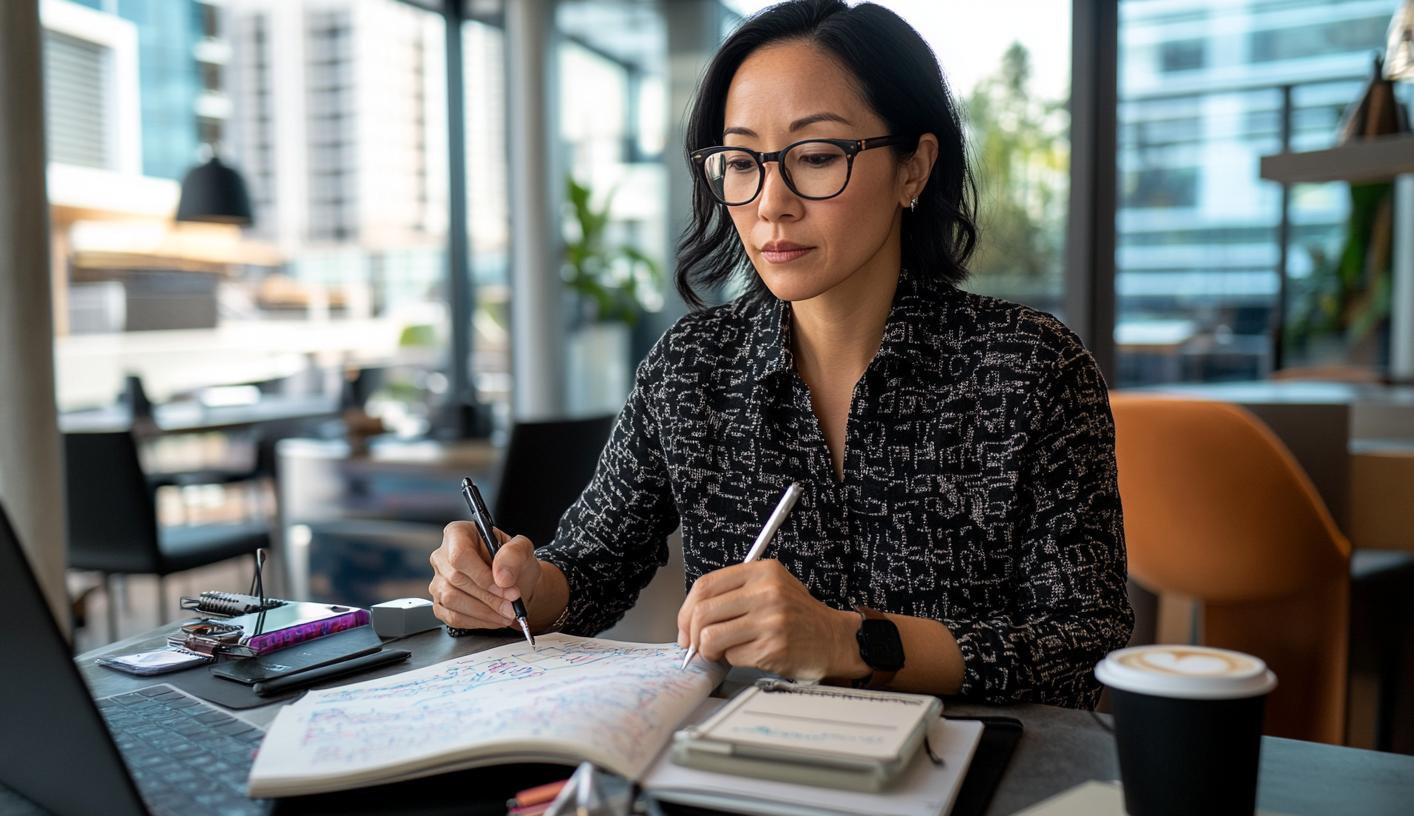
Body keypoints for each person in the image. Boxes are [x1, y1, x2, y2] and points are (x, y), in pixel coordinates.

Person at [430, 0, 1132, 709]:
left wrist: (846, 641)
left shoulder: (1031, 369)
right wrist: (511, 586)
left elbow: (1081, 645)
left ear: (914, 169)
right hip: (744, 764)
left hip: (971, 773)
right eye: (741, 163)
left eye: (818, 156)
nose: (771, 204)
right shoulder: (692, 367)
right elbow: (590, 569)